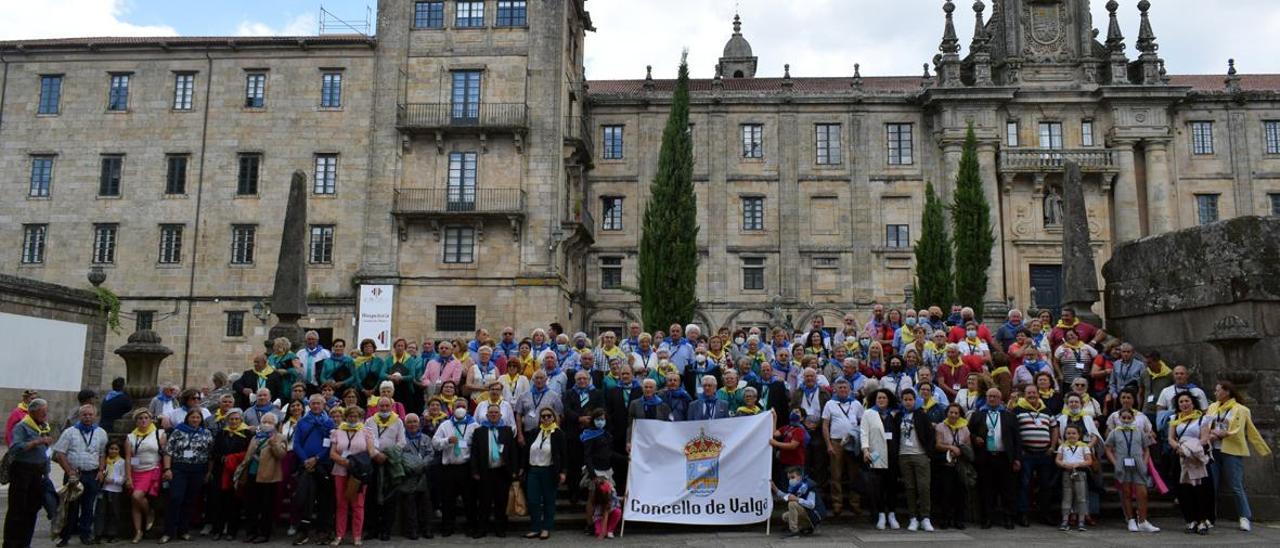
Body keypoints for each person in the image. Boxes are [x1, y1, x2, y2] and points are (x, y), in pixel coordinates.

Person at [1205, 380, 1272, 532]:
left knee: (1236, 485)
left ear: (1226, 392)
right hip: (1213, 450)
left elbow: (1241, 429)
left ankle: (1244, 516)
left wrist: (1223, 434)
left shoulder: (1241, 410)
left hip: (1231, 450)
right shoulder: (1212, 407)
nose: (1215, 393)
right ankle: (1210, 516)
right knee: (1211, 486)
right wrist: (1209, 434)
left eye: (1218, 390)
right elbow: (1206, 424)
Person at [52, 404, 108, 547]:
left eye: (90, 415)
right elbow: (60, 453)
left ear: (95, 416)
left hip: (92, 474)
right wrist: (69, 470)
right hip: (74, 475)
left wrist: (101, 471)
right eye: (84, 415)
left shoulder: (101, 432)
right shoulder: (70, 432)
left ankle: (85, 534)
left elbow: (102, 453)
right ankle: (65, 536)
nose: (87, 417)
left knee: (88, 507)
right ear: (79, 416)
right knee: (71, 507)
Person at [4, 398, 53, 548]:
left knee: (32, 509)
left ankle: (25, 543)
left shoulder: (43, 427)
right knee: (17, 510)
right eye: (43, 411)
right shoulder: (22, 426)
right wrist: (35, 442)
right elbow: (15, 447)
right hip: (22, 471)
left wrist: (46, 470)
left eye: (46, 411)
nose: (46, 414)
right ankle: (12, 544)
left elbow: (46, 453)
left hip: (38, 472)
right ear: (33, 412)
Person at [161, 407, 214, 544]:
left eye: (198, 418)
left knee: (190, 501)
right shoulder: (178, 431)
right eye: (193, 417)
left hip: (198, 469)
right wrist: (167, 469)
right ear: (187, 418)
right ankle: (168, 531)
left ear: (201, 419)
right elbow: (168, 451)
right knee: (175, 498)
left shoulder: (206, 433)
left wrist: (208, 472)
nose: (195, 420)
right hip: (179, 469)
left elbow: (210, 455)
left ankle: (183, 531)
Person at [1104, 407, 1160, 533]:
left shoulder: (1139, 432)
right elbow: (1107, 448)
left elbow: (1146, 449)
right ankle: (1131, 519)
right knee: (1126, 492)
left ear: (1133, 418)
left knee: (1142, 493)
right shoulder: (1115, 432)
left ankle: (1143, 520)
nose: (1126, 420)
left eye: (1129, 418)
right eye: (1123, 418)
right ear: (1119, 419)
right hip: (1122, 465)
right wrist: (1115, 462)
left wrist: (1144, 462)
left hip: (1138, 464)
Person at [970, 388, 1019, 529]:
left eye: (995, 396)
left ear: (1000, 398)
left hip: (1004, 457)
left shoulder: (1009, 415)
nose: (991, 399)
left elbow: (1017, 439)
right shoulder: (978, 415)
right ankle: (987, 518)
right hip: (985, 457)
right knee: (986, 490)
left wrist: (1017, 458)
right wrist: (975, 438)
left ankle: (1008, 518)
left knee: (1007, 490)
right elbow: (969, 433)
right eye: (989, 396)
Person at [292, 394, 336, 546]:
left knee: (325, 499)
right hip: (307, 466)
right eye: (313, 403)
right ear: (309, 405)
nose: (316, 406)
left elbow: (330, 444)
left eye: (319, 403)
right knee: (305, 498)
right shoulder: (303, 422)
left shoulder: (329, 423)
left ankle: (323, 530)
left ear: (324, 405)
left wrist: (316, 458)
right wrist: (306, 460)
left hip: (323, 465)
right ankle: (303, 530)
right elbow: (297, 443)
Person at [433, 399, 480, 538]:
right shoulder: (445, 425)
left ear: (467, 408)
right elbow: (435, 443)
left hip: (466, 468)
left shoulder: (474, 425)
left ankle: (471, 526)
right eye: (457, 406)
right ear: (453, 408)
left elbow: (478, 447)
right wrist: (447, 441)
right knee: (448, 499)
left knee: (469, 499)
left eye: (463, 406)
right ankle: (447, 527)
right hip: (449, 468)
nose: (460, 408)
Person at [330, 405, 376, 546]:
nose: (353, 418)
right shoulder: (337, 432)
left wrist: (356, 464)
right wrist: (345, 462)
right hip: (341, 471)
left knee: (358, 505)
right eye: (350, 416)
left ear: (360, 417)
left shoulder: (366, 431)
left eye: (356, 416)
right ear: (346, 417)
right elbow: (332, 453)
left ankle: (357, 535)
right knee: (341, 504)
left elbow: (371, 452)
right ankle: (339, 535)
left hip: (358, 474)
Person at [469, 404, 517, 539]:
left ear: (501, 415)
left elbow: (512, 451)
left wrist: (514, 470)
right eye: (491, 413)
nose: (494, 415)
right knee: (484, 502)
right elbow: (474, 453)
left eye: (496, 412)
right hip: (485, 472)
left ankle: (500, 528)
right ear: (487, 415)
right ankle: (482, 529)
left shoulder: (507, 430)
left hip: (502, 471)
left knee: (501, 502)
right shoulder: (479, 431)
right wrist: (474, 471)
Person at [1167, 392, 1212, 535]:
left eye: (1187, 401)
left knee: (1200, 489)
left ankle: (1202, 521)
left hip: (1196, 456)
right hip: (1181, 456)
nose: (1184, 404)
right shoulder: (1175, 419)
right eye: (1181, 402)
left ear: (1193, 403)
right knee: (1184, 490)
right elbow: (1171, 438)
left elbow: (1204, 438)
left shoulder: (1202, 419)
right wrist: (1179, 448)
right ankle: (1190, 520)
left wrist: (1191, 448)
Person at [892, 389, 935, 532]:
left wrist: (928, 454)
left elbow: (930, 435)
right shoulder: (898, 416)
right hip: (904, 455)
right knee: (910, 487)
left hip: (920, 454)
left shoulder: (921, 415)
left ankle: (925, 517)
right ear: (902, 401)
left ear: (915, 400)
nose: (908, 402)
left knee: (923, 487)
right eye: (905, 399)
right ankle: (913, 518)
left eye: (910, 399)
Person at [364, 397, 406, 541]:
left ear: (392, 406)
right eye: (381, 405)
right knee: (371, 497)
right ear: (377, 407)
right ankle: (372, 529)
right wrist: (375, 454)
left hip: (390, 462)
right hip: (373, 461)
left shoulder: (398, 421)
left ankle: (386, 530)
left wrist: (388, 455)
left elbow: (401, 442)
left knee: (390, 498)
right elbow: (367, 439)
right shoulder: (370, 421)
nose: (384, 408)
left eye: (387, 405)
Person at [241, 413, 286, 543]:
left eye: (270, 422)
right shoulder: (255, 437)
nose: (266, 424)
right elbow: (248, 455)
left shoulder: (280, 437)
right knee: (251, 506)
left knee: (267, 506)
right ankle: (251, 532)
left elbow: (282, 455)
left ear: (275, 424)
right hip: (252, 474)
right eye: (264, 421)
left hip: (269, 476)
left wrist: (274, 445)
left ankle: (264, 533)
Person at [821, 378, 863, 517]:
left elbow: (862, 423)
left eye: (845, 388)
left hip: (852, 441)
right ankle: (837, 504)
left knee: (854, 474)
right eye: (840, 388)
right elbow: (825, 425)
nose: (843, 390)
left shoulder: (856, 404)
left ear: (849, 389)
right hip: (836, 441)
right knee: (836, 474)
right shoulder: (830, 404)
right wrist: (828, 444)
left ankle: (855, 503)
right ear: (835, 389)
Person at [123, 408, 165, 543]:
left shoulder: (159, 433)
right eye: (140, 418)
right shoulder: (131, 437)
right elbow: (128, 458)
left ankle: (149, 513)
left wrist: (166, 470)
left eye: (146, 418)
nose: (143, 420)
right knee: (134, 502)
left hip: (152, 469)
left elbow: (164, 454)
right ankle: (138, 532)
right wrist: (128, 477)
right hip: (136, 470)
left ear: (151, 419)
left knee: (137, 496)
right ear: (136, 421)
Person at [209, 408, 250, 540]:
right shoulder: (221, 433)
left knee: (234, 503)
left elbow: (248, 452)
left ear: (241, 420)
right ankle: (217, 530)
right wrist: (223, 458)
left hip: (237, 472)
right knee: (218, 502)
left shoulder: (247, 433)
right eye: (231, 419)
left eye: (237, 419)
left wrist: (234, 459)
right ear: (227, 420)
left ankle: (232, 531)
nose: (234, 421)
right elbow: (214, 451)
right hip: (221, 471)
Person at [860, 389, 897, 530]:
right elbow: (864, 433)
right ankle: (881, 514)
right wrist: (865, 449)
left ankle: (892, 514)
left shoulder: (894, 414)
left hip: (893, 455)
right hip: (876, 455)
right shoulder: (869, 414)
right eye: (878, 398)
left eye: (884, 398)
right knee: (878, 487)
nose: (881, 400)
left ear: (888, 400)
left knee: (892, 486)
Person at [934, 403, 970, 529]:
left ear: (960, 415)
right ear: (947, 413)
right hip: (946, 464)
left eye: (956, 413)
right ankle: (945, 519)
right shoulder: (940, 426)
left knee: (960, 493)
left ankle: (959, 520)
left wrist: (960, 450)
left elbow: (968, 446)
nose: (953, 415)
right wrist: (950, 447)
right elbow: (938, 445)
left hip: (960, 464)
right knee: (946, 493)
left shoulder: (964, 428)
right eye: (951, 412)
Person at [399, 414, 434, 540]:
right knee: (410, 504)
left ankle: (427, 529)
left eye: (415, 422)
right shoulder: (401, 439)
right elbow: (400, 456)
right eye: (409, 422)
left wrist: (421, 465)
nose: (412, 424)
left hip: (423, 475)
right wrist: (412, 468)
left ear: (419, 424)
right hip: (409, 476)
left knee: (426, 504)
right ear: (405, 424)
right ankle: (412, 530)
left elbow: (430, 454)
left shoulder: (426, 438)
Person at [1056, 424, 1092, 532]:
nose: (1071, 435)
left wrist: (1079, 464)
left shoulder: (1083, 446)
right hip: (1067, 473)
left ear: (1079, 435)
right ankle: (1065, 520)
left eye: (1074, 433)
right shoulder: (1062, 446)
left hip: (1079, 473)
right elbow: (1058, 459)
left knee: (1081, 497)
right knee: (1067, 497)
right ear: (1065, 435)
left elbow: (1089, 461)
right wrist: (1063, 464)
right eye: (1068, 433)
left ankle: (1081, 521)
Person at [771, 466, 824, 538]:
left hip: (813, 516)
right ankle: (804, 528)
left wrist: (797, 499)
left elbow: (811, 505)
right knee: (785, 516)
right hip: (807, 514)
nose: (790, 480)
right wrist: (775, 488)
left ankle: (794, 531)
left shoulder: (809, 486)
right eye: (789, 478)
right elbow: (786, 496)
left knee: (792, 504)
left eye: (793, 477)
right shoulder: (796, 486)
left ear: (800, 477)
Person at [97, 441, 127, 543]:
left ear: (119, 451)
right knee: (101, 511)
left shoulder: (122, 462)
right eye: (111, 448)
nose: (113, 451)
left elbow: (124, 478)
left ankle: (112, 534)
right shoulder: (104, 461)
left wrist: (113, 480)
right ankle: (99, 533)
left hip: (115, 490)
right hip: (103, 489)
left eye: (116, 449)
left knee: (114, 512)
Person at [586, 475, 622, 539]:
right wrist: (602, 533)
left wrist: (624, 498)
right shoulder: (601, 499)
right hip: (600, 517)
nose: (610, 484)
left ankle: (610, 530)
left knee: (618, 511)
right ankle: (605, 530)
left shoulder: (612, 492)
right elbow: (604, 516)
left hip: (610, 513)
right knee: (598, 532)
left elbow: (616, 498)